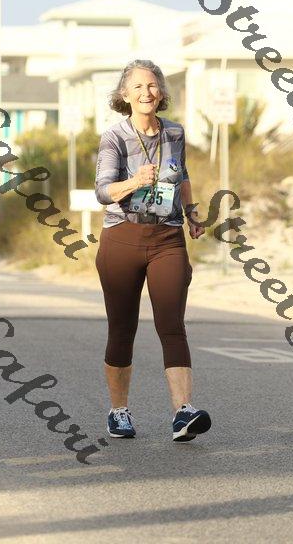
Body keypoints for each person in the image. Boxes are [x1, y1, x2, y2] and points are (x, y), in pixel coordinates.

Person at [94, 59, 211, 442]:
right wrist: (134, 181)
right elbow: (102, 192)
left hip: (167, 238)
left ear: (161, 92)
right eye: (138, 87)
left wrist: (191, 213)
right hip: (122, 238)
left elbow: (183, 175)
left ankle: (183, 412)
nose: (147, 92)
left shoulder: (174, 132)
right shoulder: (114, 136)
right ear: (124, 95)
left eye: (152, 85)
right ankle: (119, 411)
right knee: (122, 328)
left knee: (172, 324)